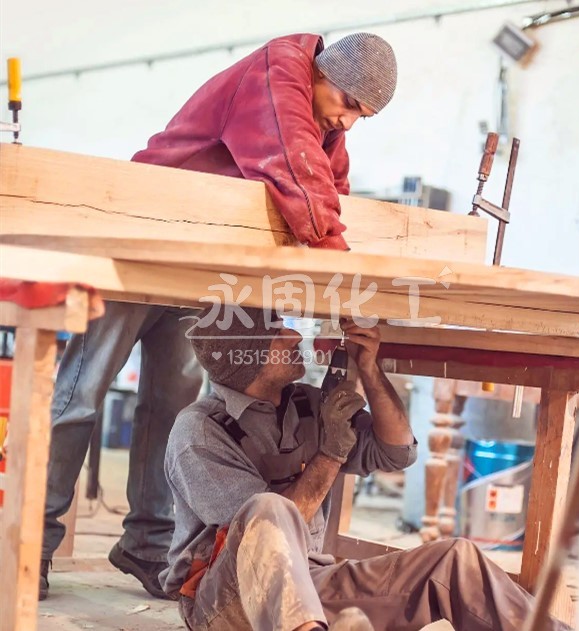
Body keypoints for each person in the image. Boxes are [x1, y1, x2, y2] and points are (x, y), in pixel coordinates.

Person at [40, 31, 399, 600]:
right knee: (82, 394)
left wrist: (330, 285)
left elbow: (334, 190)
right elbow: (301, 182)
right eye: (350, 105)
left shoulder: (322, 121)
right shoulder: (278, 78)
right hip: (138, 242)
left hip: (197, 265)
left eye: (364, 117)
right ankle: (28, 547)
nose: (350, 122)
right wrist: (337, 285)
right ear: (323, 74)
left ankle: (149, 545)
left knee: (169, 405)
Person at [161, 305, 572, 631]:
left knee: (454, 560)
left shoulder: (302, 403)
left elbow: (397, 453)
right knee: (268, 510)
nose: (293, 335)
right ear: (246, 358)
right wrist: (331, 453)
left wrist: (369, 369)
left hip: (314, 581)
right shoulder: (199, 432)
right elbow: (268, 538)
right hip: (228, 602)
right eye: (277, 330)